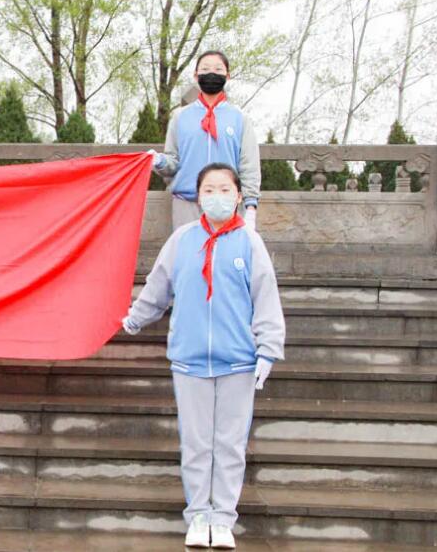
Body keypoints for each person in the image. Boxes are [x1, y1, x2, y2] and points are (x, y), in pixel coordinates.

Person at [122, 163, 285, 549]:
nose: (217, 197)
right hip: (190, 361)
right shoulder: (181, 241)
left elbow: (266, 297)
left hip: (238, 362)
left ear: (238, 196)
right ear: (198, 197)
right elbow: (158, 289)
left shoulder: (249, 243)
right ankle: (198, 516)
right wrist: (132, 319)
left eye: (225, 189)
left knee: (229, 445)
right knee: (196, 444)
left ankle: (223, 519)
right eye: (209, 190)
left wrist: (268, 350)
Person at [151, 51, 261, 231]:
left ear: (227, 76)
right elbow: (173, 161)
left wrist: (250, 207)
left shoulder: (240, 118)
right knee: (188, 249)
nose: (211, 73)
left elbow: (249, 165)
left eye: (218, 69)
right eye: (205, 69)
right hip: (187, 204)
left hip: (227, 203)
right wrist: (159, 161)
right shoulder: (180, 117)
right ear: (196, 76)